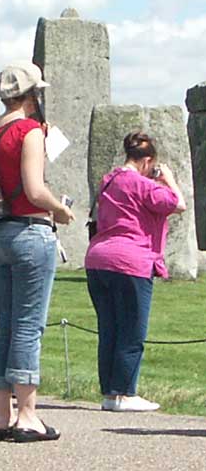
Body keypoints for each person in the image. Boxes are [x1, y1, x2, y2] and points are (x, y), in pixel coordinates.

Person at [0, 62, 75, 443]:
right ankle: (27, 415)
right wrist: (61, 209)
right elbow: (34, 190)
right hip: (29, 230)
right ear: (31, 94)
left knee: (4, 323)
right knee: (27, 325)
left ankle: (1, 414)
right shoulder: (30, 131)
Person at [85, 131, 186, 412]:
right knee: (131, 330)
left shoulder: (109, 180)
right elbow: (179, 204)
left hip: (97, 259)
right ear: (148, 160)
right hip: (131, 261)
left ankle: (109, 394)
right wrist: (168, 179)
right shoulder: (144, 185)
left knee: (109, 329)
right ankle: (126, 393)